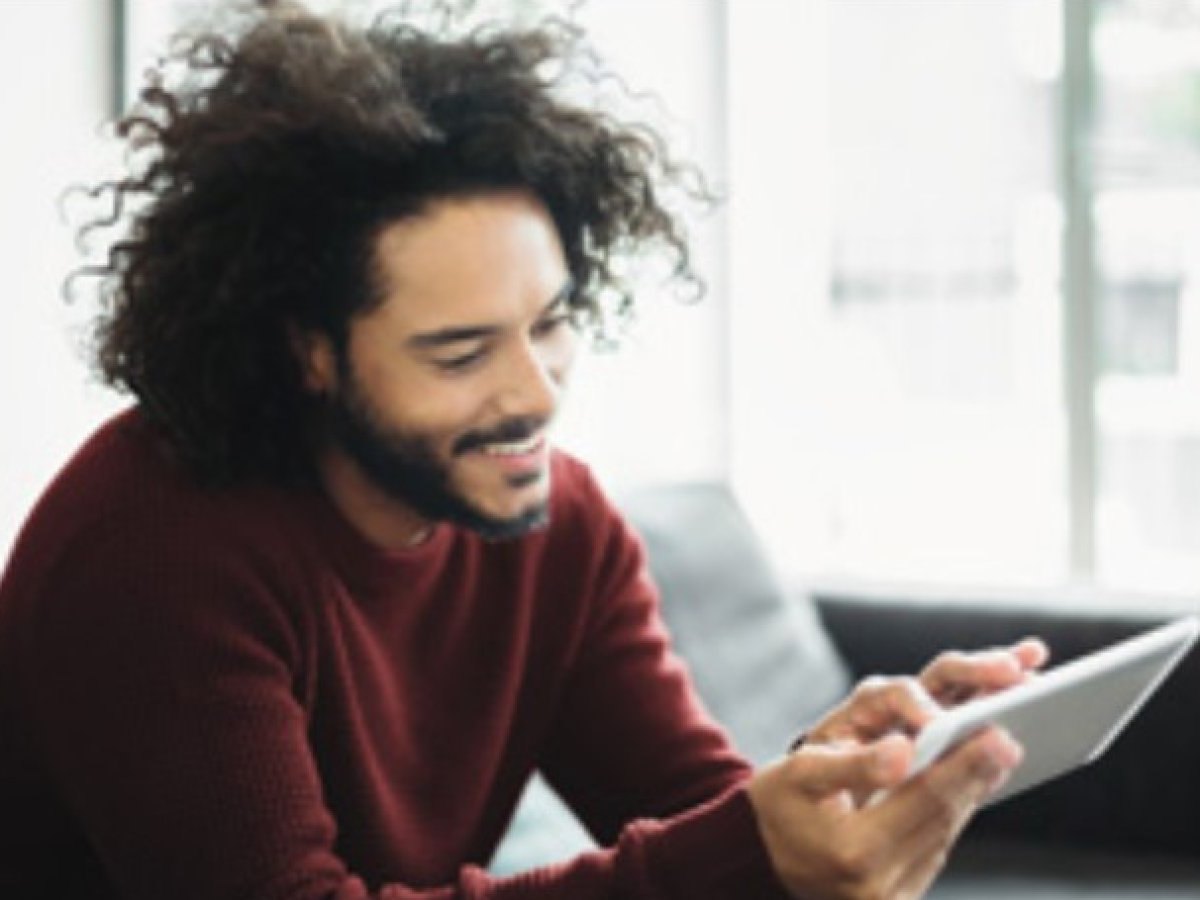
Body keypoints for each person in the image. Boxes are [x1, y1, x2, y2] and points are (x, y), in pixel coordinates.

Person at [0, 3, 1046, 898]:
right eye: (460, 353)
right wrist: (744, 850)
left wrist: (851, 775)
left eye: (549, 323)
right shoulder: (152, 557)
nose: (535, 392)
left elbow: (695, 813)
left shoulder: (560, 524)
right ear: (308, 354)